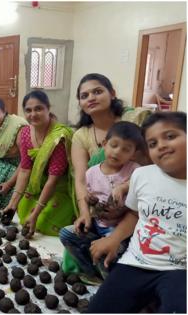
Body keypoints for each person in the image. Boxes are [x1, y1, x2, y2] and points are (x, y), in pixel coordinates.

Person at [87, 112, 186, 313]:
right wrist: (114, 239)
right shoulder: (142, 175)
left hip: (179, 270)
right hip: (135, 262)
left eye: (170, 136)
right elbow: (134, 214)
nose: (161, 145)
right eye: (152, 143)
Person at [63, 73, 151, 275]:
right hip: (99, 210)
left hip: (135, 205)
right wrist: (85, 212)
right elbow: (80, 178)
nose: (91, 98)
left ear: (112, 94)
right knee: (73, 237)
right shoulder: (82, 135)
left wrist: (126, 203)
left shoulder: (133, 122)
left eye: (97, 91)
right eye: (84, 95)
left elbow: (149, 168)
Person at [60, 121, 144, 282]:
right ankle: (90, 272)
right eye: (114, 145)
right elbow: (88, 194)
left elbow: (138, 183)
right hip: (97, 224)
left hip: (118, 230)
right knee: (66, 234)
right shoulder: (92, 172)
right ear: (104, 144)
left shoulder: (135, 170)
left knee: (107, 253)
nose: (117, 152)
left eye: (126, 149)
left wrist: (123, 187)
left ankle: (109, 280)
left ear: (133, 153)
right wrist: (89, 200)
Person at [2, 90, 77, 238]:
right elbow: (24, 170)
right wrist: (12, 203)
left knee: (42, 221)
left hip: (59, 187)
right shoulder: (25, 133)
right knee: (22, 211)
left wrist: (36, 213)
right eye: (28, 110)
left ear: (48, 108)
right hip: (38, 184)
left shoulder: (59, 137)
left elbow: (53, 180)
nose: (33, 114)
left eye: (38, 108)